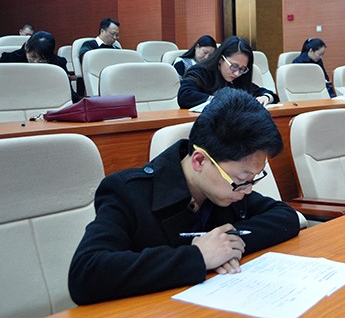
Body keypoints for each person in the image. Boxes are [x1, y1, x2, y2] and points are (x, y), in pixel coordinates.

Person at [68, 88, 300, 305]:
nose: (247, 190)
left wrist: (227, 244)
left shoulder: (226, 189)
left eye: (254, 179)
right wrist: (197, 256)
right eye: (242, 179)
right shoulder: (127, 192)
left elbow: (285, 216)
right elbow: (86, 274)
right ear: (199, 160)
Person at [177, 36, 279, 108]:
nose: (237, 73)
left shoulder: (238, 78)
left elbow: (266, 93)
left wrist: (266, 97)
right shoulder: (201, 72)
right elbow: (185, 95)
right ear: (221, 59)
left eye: (242, 69)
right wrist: (220, 100)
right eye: (234, 66)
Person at [0, 31, 80, 102]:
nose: (35, 62)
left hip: (46, 100)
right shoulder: (9, 59)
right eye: (33, 57)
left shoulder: (58, 63)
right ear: (26, 47)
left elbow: (68, 93)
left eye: (41, 60)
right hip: (13, 99)